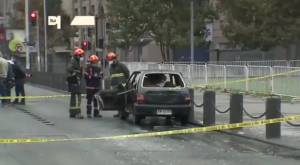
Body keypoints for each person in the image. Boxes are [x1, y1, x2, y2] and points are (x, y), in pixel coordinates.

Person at [106, 52, 130, 118]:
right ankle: (118, 112)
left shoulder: (121, 65)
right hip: (114, 84)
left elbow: (127, 72)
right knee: (117, 98)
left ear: (115, 59)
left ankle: (124, 111)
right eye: (111, 60)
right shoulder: (111, 66)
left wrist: (125, 81)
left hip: (122, 83)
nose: (112, 61)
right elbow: (112, 75)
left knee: (123, 97)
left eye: (113, 59)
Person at [66, 48, 84, 119]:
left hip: (74, 79)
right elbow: (69, 68)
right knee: (77, 96)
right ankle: (77, 113)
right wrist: (77, 72)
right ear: (77, 55)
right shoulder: (73, 60)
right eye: (80, 55)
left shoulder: (76, 60)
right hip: (74, 79)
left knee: (73, 96)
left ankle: (72, 112)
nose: (81, 57)